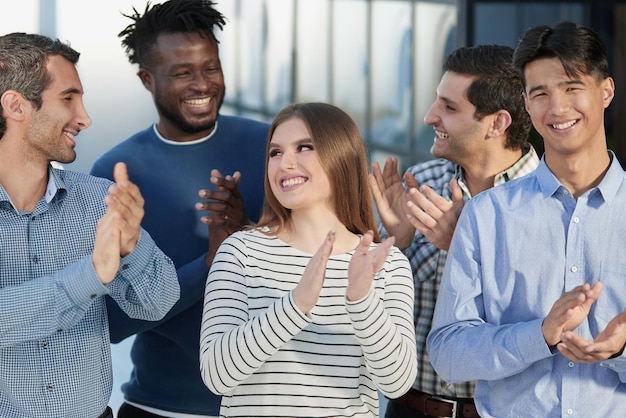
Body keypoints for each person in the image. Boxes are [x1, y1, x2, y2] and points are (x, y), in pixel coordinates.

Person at [427, 21, 626, 417]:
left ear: (605, 91)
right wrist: (538, 336)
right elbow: (447, 353)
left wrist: (620, 351)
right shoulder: (486, 215)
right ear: (526, 103)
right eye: (540, 93)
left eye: (572, 88)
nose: (557, 108)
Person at [90, 1, 268, 417]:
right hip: (161, 407)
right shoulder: (116, 175)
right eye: (183, 73)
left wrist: (250, 235)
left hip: (270, 401)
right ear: (147, 79)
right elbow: (110, 323)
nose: (202, 84)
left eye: (211, 67)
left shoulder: (272, 148)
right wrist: (211, 262)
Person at [0, 32, 179, 418]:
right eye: (68, 98)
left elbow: (160, 302)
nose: (85, 117)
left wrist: (132, 247)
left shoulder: (98, 200)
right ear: (15, 105)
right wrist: (93, 273)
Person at [199, 102, 417, 417]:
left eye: (304, 147)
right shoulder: (240, 252)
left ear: (341, 156)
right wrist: (296, 305)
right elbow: (217, 376)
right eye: (275, 152)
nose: (285, 163)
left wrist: (361, 301)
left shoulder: (387, 264)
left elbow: (396, 384)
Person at [370, 44, 539, 418]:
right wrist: (393, 247)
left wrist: (467, 246)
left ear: (497, 123)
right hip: (407, 409)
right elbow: (370, 318)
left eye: (449, 107)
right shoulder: (418, 189)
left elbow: (543, 328)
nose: (430, 116)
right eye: (436, 101)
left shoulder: (553, 204)